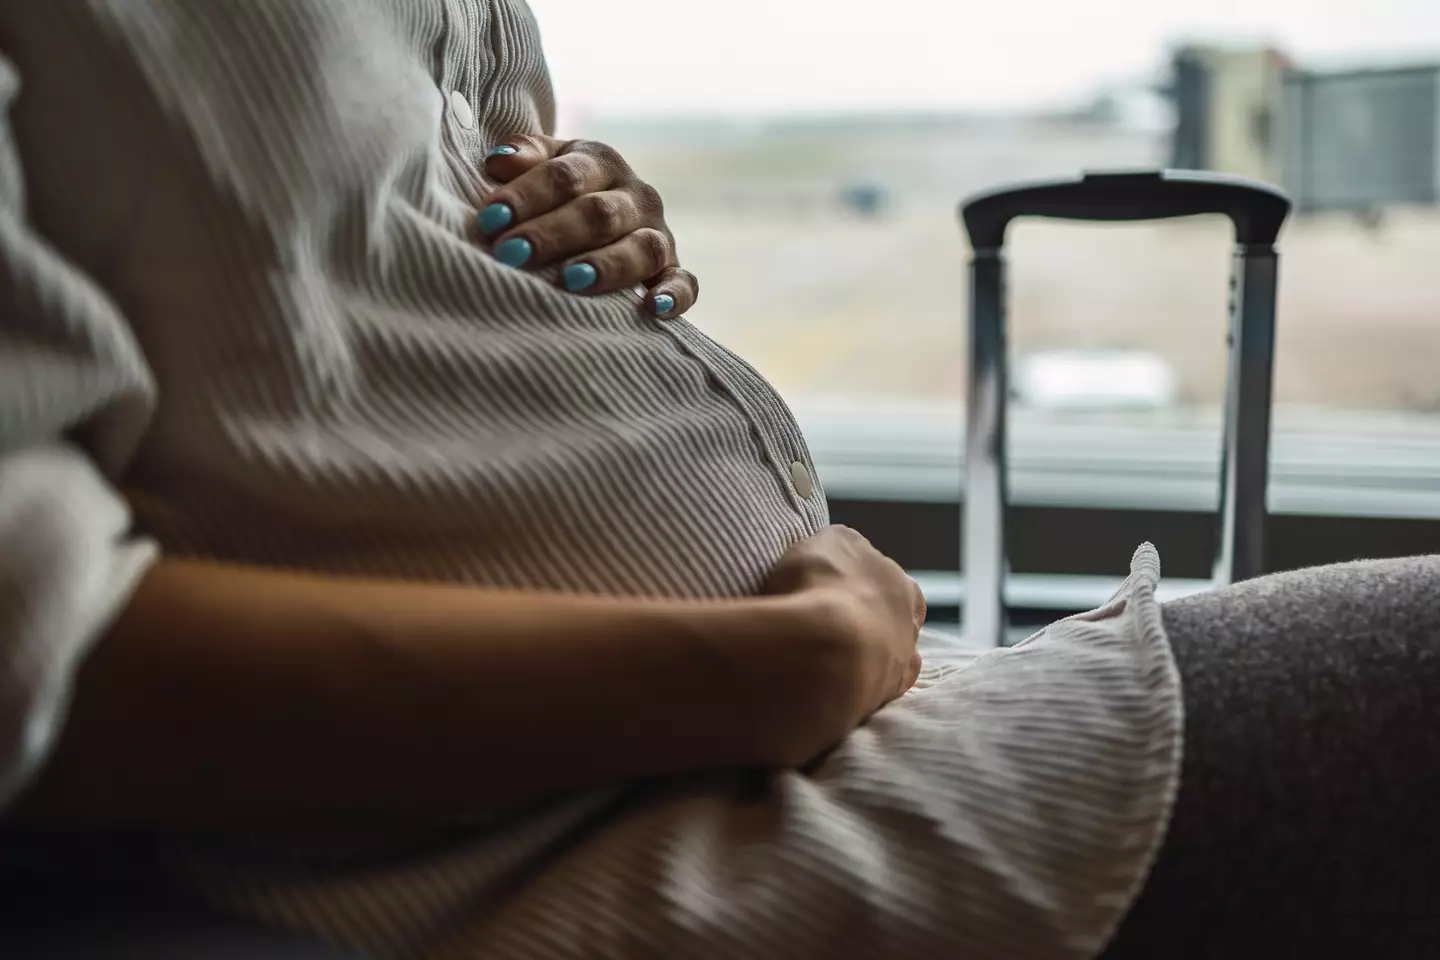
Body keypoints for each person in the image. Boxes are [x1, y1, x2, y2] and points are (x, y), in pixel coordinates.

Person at [0, 2, 1436, 958]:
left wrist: (550, 213)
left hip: (792, 733)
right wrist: (776, 668)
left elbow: (306, 268)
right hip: (569, 844)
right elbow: (46, 663)